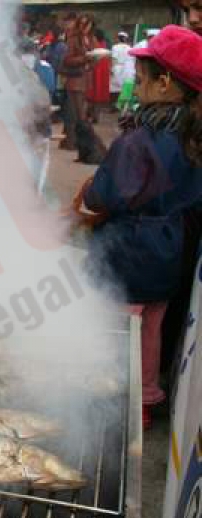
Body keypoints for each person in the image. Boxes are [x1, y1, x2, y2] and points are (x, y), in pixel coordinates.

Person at [79, 25, 202, 429]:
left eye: (142, 76)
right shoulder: (193, 139)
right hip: (171, 253)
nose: (135, 82)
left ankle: (109, 398)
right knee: (152, 327)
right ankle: (146, 398)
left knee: (116, 327)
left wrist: (90, 194)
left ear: (165, 82)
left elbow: (104, 195)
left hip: (128, 253)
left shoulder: (138, 143)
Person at [59, 14, 93, 150]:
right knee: (77, 114)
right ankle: (73, 142)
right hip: (75, 80)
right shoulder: (73, 40)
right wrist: (84, 59)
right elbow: (67, 60)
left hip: (84, 79)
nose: (85, 27)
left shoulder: (88, 39)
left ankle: (71, 141)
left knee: (75, 113)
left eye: (88, 24)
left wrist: (92, 60)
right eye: (82, 24)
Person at [86, 28, 111, 123]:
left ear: (96, 38)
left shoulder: (96, 49)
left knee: (93, 95)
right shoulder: (104, 48)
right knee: (97, 95)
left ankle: (93, 114)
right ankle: (95, 115)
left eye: (93, 37)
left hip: (96, 74)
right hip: (101, 74)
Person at [110, 32, 134, 102]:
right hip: (127, 68)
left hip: (117, 67)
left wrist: (112, 69)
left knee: (115, 88)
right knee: (124, 87)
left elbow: (114, 59)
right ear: (125, 39)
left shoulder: (115, 47)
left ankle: (115, 105)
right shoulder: (130, 48)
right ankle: (122, 106)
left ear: (118, 38)